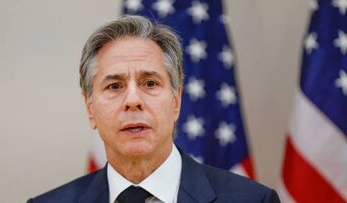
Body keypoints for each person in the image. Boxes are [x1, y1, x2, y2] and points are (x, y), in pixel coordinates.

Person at [27, 15, 280, 203]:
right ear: (89, 108)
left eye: (150, 83)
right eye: (114, 86)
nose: (133, 100)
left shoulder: (253, 201)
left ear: (176, 101)